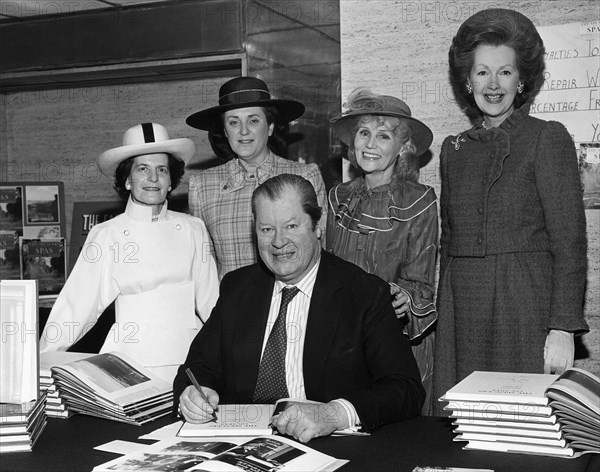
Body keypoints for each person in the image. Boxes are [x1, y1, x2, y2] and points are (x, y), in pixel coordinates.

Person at [174, 174, 424, 443]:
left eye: (291, 226)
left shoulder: (364, 293)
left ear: (317, 226)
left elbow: (405, 389)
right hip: (242, 445)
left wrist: (333, 414)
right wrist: (193, 394)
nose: (278, 241)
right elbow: (197, 367)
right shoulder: (238, 288)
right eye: (266, 229)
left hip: (329, 448)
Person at [433, 9, 589, 414]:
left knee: (521, 425)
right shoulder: (452, 149)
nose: (493, 84)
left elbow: (569, 242)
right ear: (467, 81)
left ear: (522, 81)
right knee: (462, 426)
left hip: (523, 305)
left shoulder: (547, 138)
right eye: (482, 72)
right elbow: (447, 245)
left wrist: (562, 328)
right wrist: (442, 320)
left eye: (505, 72)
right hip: (461, 305)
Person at [40, 123, 220, 382]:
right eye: (142, 169)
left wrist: (231, 360)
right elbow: (75, 307)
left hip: (189, 361)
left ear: (171, 181)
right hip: (130, 365)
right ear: (127, 179)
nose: (153, 178)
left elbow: (211, 303)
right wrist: (39, 361)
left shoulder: (194, 229)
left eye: (162, 170)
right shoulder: (107, 235)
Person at [327, 87, 438, 415]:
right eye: (363, 133)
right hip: (343, 343)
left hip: (397, 343)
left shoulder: (421, 200)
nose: (369, 144)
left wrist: (405, 296)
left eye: (383, 135)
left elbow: (422, 282)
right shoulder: (336, 197)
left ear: (404, 147)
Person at [186, 76, 327, 279]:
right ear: (225, 131)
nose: (244, 131)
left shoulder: (304, 176)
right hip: (231, 305)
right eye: (234, 122)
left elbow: (322, 249)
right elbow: (202, 263)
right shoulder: (202, 186)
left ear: (269, 127)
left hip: (293, 303)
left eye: (253, 120)